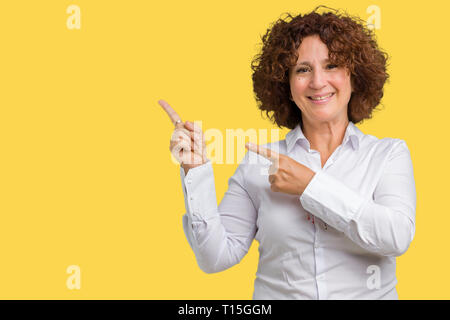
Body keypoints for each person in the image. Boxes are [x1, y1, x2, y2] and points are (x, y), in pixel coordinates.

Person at [158, 6, 416, 300]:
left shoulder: (388, 154)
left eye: (331, 66)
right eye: (303, 69)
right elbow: (215, 258)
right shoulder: (259, 162)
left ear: (354, 77)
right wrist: (196, 170)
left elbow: (396, 237)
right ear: (287, 85)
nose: (318, 82)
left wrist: (310, 185)